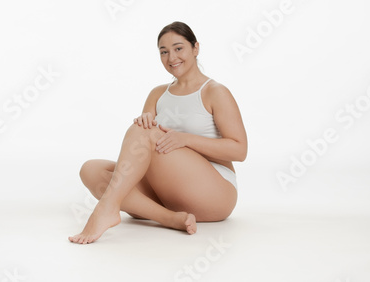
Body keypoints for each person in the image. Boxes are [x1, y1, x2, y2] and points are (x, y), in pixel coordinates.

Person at [69, 21, 247, 244]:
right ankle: (170, 218)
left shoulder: (215, 92)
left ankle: (106, 209)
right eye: (164, 52)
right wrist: (144, 122)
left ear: (196, 48)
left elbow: (239, 150)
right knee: (91, 170)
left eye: (178, 48)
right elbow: (141, 144)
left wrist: (186, 139)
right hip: (168, 194)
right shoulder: (157, 94)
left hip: (215, 193)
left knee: (146, 134)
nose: (172, 57)